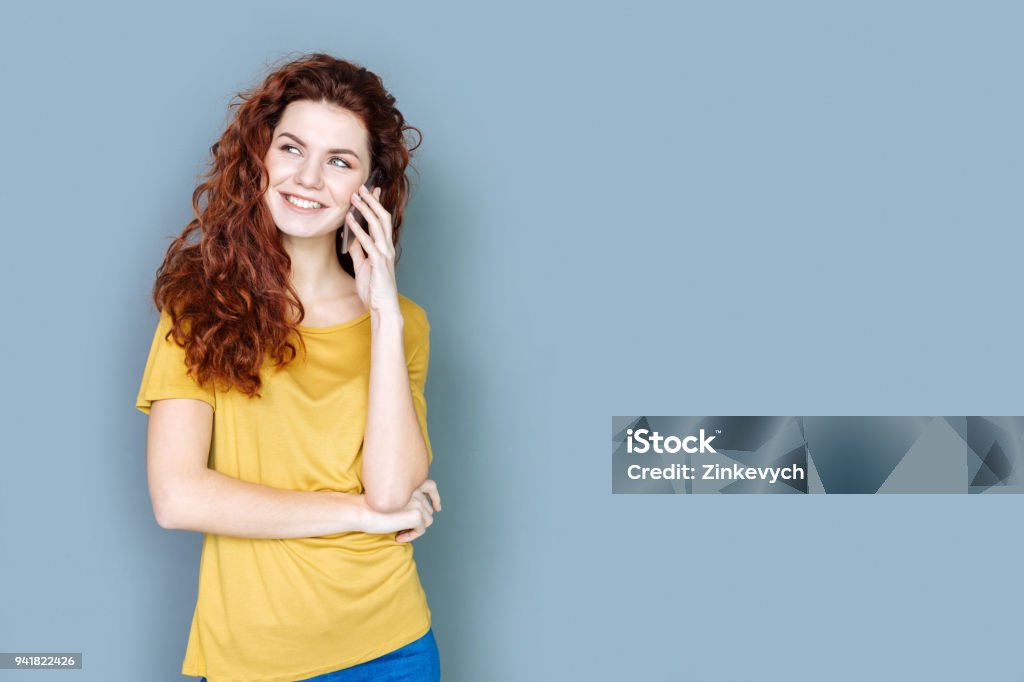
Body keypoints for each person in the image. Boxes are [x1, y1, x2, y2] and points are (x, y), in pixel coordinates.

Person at [135, 53, 442, 682]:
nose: (307, 178)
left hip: (392, 647)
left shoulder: (403, 323)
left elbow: (390, 489)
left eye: (339, 161)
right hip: (253, 659)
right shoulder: (199, 306)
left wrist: (383, 314)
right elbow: (177, 496)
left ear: (370, 189)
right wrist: (358, 515)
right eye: (291, 148)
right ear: (260, 157)